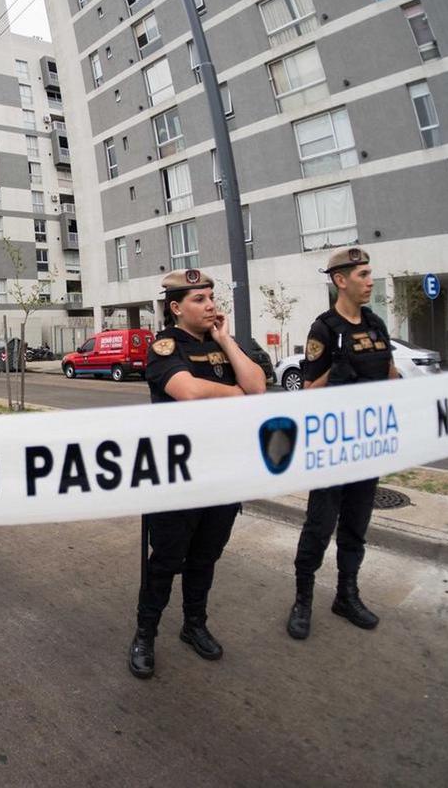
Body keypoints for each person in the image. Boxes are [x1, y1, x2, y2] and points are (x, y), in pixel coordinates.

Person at [128, 269, 267, 679]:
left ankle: (194, 625)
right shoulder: (164, 346)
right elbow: (187, 392)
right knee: (166, 560)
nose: (210, 305)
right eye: (199, 300)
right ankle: (145, 635)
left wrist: (226, 340)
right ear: (176, 308)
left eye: (211, 297)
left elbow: (259, 385)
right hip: (177, 473)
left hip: (222, 471)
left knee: (206, 556)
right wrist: (237, 394)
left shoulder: (227, 343)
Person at [286, 248, 401, 642]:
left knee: (356, 526)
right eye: (363, 274)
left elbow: (391, 374)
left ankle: (346, 595)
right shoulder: (324, 329)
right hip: (333, 446)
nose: (370, 281)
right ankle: (302, 599)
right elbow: (308, 392)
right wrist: (337, 373)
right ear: (341, 280)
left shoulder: (375, 324)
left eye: (370, 274)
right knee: (320, 526)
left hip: (367, 444)